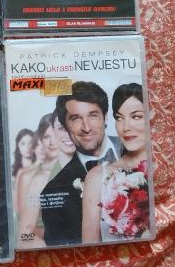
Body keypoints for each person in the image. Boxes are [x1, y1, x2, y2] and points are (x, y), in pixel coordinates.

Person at [40, 81, 121, 246]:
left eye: (93, 115)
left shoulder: (137, 150)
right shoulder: (52, 191)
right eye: (76, 118)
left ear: (105, 117)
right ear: (65, 126)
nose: (86, 127)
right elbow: (64, 254)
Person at [82, 83, 150, 243]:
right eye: (119, 118)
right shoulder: (97, 177)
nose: (125, 127)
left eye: (136, 116)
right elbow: (89, 251)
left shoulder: (170, 168)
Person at [16, 114, 58, 247]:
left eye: (55, 136)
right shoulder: (29, 177)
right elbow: (25, 225)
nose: (51, 142)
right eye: (46, 137)